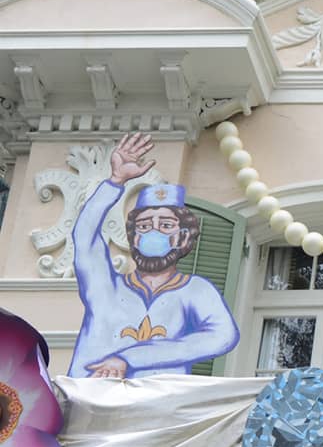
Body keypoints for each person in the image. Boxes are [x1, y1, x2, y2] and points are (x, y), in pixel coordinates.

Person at [68, 133, 240, 377]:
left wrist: (130, 358)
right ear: (134, 237)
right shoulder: (105, 288)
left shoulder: (196, 291)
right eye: (145, 225)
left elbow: (222, 336)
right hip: (90, 401)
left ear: (183, 237)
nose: (154, 232)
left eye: (166, 225)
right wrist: (115, 182)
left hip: (159, 407)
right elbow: (85, 237)